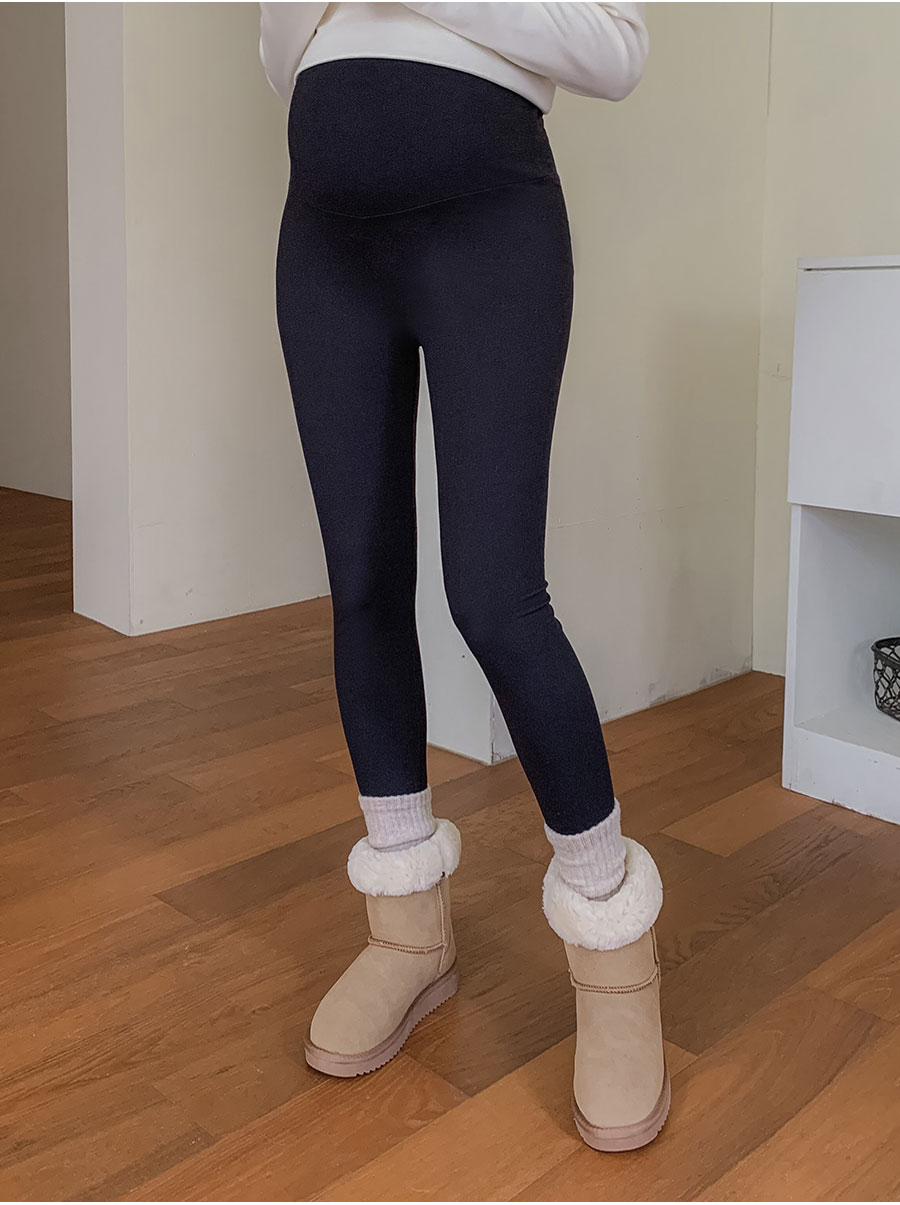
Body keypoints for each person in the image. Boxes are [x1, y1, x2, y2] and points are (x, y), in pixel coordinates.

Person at [260, 1, 666, 1152]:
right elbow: (281, 53)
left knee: (494, 594)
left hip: (490, 221)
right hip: (323, 233)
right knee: (361, 582)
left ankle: (615, 955)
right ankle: (407, 933)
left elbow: (618, 52)